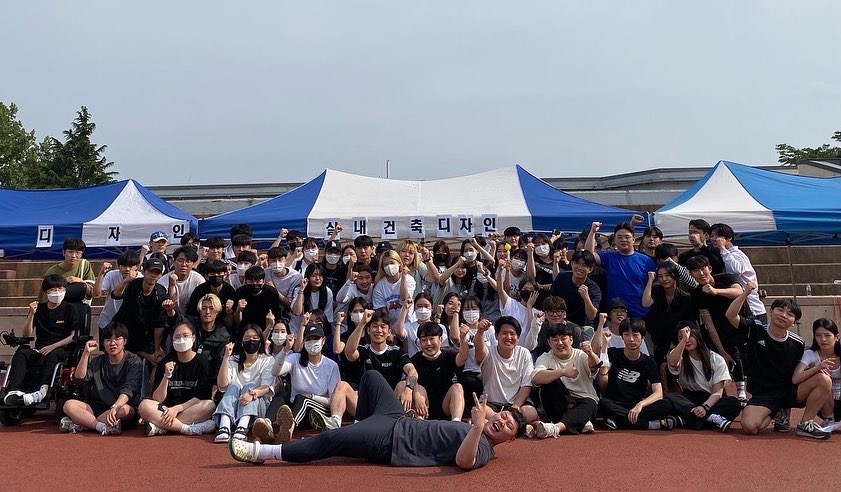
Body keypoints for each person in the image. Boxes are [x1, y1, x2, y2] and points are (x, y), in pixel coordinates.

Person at [229, 370, 527, 468]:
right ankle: (361, 427)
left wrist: (477, 427)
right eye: (502, 416)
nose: (501, 422)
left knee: (332, 439)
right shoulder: (482, 428)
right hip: (396, 418)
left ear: (510, 439)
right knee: (371, 377)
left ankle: (263, 453)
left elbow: (464, 462)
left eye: (507, 426)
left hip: (393, 441)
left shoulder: (484, 448)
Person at [726, 284, 831, 439]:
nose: (783, 315)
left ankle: (805, 423)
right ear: (770, 311)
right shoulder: (755, 329)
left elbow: (797, 375)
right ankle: (777, 412)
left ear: (794, 322)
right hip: (764, 394)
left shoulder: (798, 343)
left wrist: (816, 370)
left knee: (823, 379)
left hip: (789, 391)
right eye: (780, 310)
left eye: (789, 314)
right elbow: (730, 315)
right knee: (750, 427)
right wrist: (746, 293)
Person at [253, 323, 341, 443]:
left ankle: (289, 428)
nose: (312, 342)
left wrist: (312, 397)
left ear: (323, 340)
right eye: (309, 339)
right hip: (295, 408)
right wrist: (285, 350)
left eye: (316, 338)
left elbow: (332, 401)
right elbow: (275, 372)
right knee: (282, 396)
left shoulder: (331, 366)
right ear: (304, 342)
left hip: (318, 412)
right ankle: (267, 425)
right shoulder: (295, 358)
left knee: (301, 398)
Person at [3, 274, 80, 407]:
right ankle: (13, 391)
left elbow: (73, 336)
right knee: (22, 354)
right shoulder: (40, 309)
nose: (57, 292)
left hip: (61, 349)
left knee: (52, 354)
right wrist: (31, 314)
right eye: (53, 289)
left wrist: (52, 346)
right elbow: (26, 333)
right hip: (40, 348)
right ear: (46, 293)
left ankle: (42, 391)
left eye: (60, 289)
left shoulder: (70, 309)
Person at [593, 318, 680, 431]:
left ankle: (618, 420)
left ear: (642, 337)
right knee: (602, 404)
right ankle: (651, 425)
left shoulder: (649, 362)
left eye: (635, 335)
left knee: (666, 405)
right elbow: (603, 373)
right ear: (622, 337)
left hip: (636, 404)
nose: (631, 339)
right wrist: (605, 344)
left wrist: (640, 405)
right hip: (614, 403)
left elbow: (658, 393)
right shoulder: (613, 353)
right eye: (626, 335)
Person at [60, 323, 143, 435]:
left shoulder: (134, 361)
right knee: (69, 405)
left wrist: (115, 407)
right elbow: (79, 379)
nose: (112, 343)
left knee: (125, 410)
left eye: (117, 339)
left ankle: (83, 423)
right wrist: (86, 354)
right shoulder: (97, 361)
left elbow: (129, 389)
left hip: (121, 406)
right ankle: (101, 427)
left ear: (125, 341)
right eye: (108, 340)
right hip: (98, 406)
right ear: (103, 343)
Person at [686, 255, 748, 399]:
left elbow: (739, 292)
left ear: (710, 268)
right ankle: (727, 393)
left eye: (703, 269)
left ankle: (743, 391)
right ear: (691, 274)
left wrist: (716, 291)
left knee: (743, 354)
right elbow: (708, 323)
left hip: (742, 321)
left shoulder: (727, 278)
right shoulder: (696, 293)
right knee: (722, 353)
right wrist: (722, 351)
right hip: (720, 328)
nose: (701, 273)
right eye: (695, 271)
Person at [138, 323, 217, 436]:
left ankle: (162, 426)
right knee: (144, 406)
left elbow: (201, 396)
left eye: (185, 336)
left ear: (193, 338)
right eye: (177, 337)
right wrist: (166, 376)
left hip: (189, 408)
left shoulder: (203, 362)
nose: (181, 340)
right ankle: (186, 429)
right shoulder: (165, 363)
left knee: (210, 406)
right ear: (172, 340)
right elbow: (157, 399)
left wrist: (177, 409)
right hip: (165, 409)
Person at [664, 321, 742, 432]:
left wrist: (704, 407)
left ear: (697, 335)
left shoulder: (716, 359)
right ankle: (711, 419)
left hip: (711, 400)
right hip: (689, 399)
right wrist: (683, 340)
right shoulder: (678, 355)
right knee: (668, 398)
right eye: (681, 338)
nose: (687, 340)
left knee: (734, 403)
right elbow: (673, 363)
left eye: (690, 336)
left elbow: (717, 392)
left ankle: (687, 420)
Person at [529, 323, 601, 437]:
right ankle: (578, 422)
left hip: (583, 401)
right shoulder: (545, 357)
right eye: (555, 340)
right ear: (549, 342)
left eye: (563, 339)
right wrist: (563, 372)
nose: (560, 343)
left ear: (571, 340)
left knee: (590, 403)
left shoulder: (580, 354)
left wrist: (590, 353)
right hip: (561, 404)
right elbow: (536, 378)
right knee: (548, 375)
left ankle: (556, 428)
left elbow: (595, 365)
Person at [214, 324, 275, 443]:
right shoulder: (233, 360)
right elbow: (222, 385)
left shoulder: (267, 360)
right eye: (247, 338)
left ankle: (242, 427)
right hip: (232, 406)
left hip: (257, 406)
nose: (251, 341)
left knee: (249, 386)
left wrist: (252, 394)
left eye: (255, 338)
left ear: (260, 342)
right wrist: (226, 357)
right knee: (233, 386)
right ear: (242, 342)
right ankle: (224, 426)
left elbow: (267, 387)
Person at [585, 221, 655, 318]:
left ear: (633, 239)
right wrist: (593, 231)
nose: (623, 240)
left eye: (627, 237)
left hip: (640, 314)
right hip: (615, 314)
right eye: (620, 237)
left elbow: (654, 285)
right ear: (615, 240)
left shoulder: (646, 260)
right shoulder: (609, 257)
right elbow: (588, 255)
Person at [111, 257, 168, 367]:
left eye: (157, 273)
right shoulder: (133, 285)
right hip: (124, 329)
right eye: (150, 272)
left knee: (158, 360)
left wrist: (157, 348)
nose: (153, 275)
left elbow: (159, 324)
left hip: (146, 333)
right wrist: (126, 281)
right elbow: (115, 295)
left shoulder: (161, 291)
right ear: (143, 271)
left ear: (161, 275)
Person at [709, 223, 767, 324]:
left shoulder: (737, 255)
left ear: (729, 238)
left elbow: (736, 270)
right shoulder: (722, 256)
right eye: (712, 236)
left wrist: (723, 248)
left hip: (753, 310)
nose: (714, 239)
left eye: (717, 236)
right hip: (739, 310)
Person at [475, 316, 534, 411]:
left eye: (512, 334)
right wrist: (480, 332)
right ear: (496, 335)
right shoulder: (488, 352)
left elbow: (526, 384)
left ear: (518, 337)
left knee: (530, 413)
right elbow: (479, 350)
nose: (508, 337)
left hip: (516, 404)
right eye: (504, 333)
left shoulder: (524, 353)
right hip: (492, 403)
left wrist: (515, 407)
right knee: (480, 410)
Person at [410, 322, 467, 421]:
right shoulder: (415, 359)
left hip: (446, 405)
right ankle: (419, 423)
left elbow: (461, 359)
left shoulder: (448, 355)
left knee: (457, 387)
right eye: (424, 340)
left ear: (440, 339)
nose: (428, 343)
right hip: (424, 406)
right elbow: (410, 380)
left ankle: (456, 422)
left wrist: (463, 338)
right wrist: (416, 393)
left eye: (432, 339)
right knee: (418, 388)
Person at [642, 265, 697, 365]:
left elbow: (690, 323)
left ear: (675, 276)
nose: (664, 279)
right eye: (660, 276)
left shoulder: (685, 298)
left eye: (667, 275)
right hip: (657, 338)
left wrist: (677, 342)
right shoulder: (656, 290)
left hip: (677, 340)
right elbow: (646, 303)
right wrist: (650, 279)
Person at [792, 318, 841, 426]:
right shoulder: (810, 354)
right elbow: (795, 379)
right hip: (823, 402)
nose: (823, 339)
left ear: (836, 337)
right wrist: (816, 369)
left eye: (827, 335)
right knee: (823, 378)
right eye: (818, 335)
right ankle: (828, 420)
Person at [93, 251, 141, 336]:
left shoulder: (141, 279)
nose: (127, 269)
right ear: (119, 266)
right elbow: (96, 294)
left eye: (130, 266)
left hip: (130, 324)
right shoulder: (111, 275)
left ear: (136, 267)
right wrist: (101, 273)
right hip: (108, 321)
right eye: (124, 266)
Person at [549, 249, 601, 327]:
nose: (580, 268)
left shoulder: (594, 288)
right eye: (577, 263)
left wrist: (586, 297)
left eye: (584, 265)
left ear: (590, 269)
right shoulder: (561, 277)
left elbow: (592, 316)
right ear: (572, 264)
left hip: (581, 326)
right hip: (559, 322)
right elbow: (551, 301)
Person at [392, 292, 450, 358]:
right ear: (414, 308)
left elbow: (444, 348)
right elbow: (398, 332)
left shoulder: (440, 327)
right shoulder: (408, 326)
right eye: (419, 306)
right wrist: (405, 309)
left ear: (432, 308)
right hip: (413, 362)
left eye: (426, 306)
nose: (423, 309)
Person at [40, 237, 95, 302]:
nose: (73, 256)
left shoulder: (84, 264)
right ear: (64, 252)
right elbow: (44, 298)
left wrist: (81, 281)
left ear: (81, 254)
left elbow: (93, 292)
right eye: (70, 252)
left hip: (80, 305)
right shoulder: (52, 272)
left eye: (77, 253)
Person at [232, 266, 284, 333]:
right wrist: (238, 310)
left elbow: (276, 316)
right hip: (245, 328)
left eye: (258, 281)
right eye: (251, 281)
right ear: (246, 281)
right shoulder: (240, 292)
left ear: (263, 281)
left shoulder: (271, 293)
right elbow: (237, 322)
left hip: (265, 327)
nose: (254, 284)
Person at [185, 259, 236, 326]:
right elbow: (191, 314)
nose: (216, 276)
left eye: (219, 273)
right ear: (206, 276)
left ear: (225, 274)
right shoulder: (199, 290)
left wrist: (229, 312)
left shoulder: (229, 291)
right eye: (212, 274)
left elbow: (232, 321)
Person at [372, 250, 416, 323]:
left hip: (408, 322)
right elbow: (382, 311)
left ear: (399, 263)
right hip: (390, 324)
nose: (389, 266)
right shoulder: (380, 286)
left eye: (392, 263)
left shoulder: (409, 279)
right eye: (386, 264)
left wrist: (403, 277)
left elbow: (404, 298)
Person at [291, 263, 335, 334]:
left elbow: (327, 317)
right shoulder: (298, 290)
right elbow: (296, 312)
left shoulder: (328, 292)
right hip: (297, 329)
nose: (317, 278)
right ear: (307, 277)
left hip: (318, 331)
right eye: (314, 275)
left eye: (320, 275)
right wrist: (301, 290)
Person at [161, 246, 205, 315]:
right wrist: (171, 285)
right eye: (180, 260)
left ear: (193, 264)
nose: (184, 264)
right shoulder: (162, 281)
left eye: (188, 261)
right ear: (173, 262)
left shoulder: (199, 280)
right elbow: (170, 306)